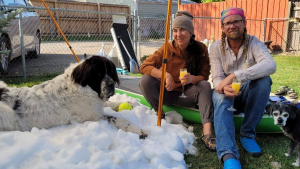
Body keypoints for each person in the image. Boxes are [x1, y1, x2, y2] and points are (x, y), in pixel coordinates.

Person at [209, 7, 276, 168]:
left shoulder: (254, 43)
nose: (232, 26)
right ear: (222, 27)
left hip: (247, 95)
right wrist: (222, 87)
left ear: (244, 23)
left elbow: (270, 65)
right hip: (226, 93)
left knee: (264, 80)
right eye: (228, 23)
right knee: (219, 95)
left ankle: (247, 134)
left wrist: (235, 76)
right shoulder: (216, 47)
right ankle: (228, 153)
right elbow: (217, 76)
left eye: (237, 21)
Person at [139, 11, 216, 152]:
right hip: (167, 93)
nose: (178, 34)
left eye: (182, 30)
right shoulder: (167, 48)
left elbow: (204, 75)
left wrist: (193, 79)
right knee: (145, 80)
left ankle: (207, 132)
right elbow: (144, 67)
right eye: (175, 30)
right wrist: (165, 75)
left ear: (191, 33)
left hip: (187, 94)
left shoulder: (200, 48)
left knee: (205, 85)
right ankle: (160, 114)